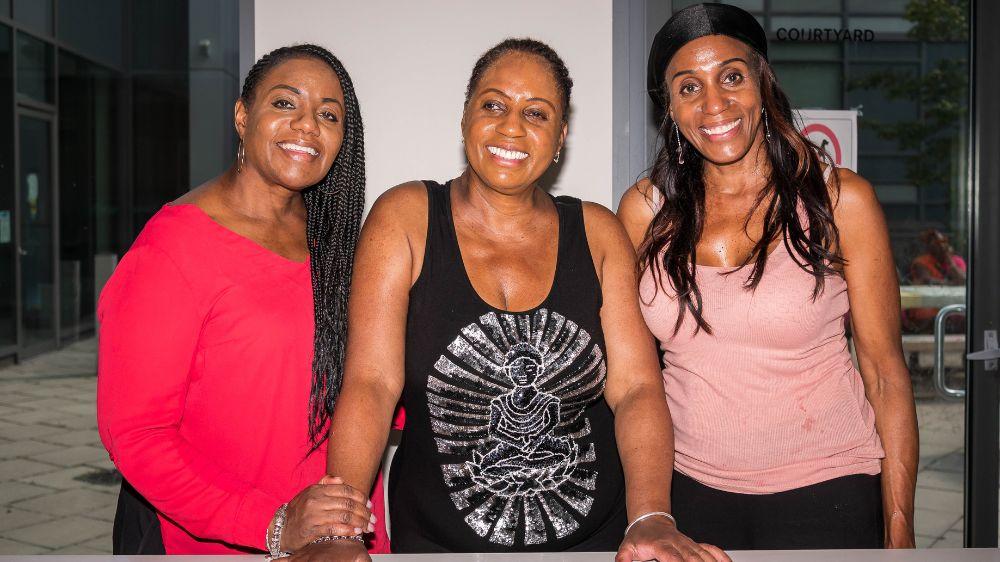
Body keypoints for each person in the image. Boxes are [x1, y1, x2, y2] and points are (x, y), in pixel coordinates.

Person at [292, 38, 729, 561]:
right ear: (465, 118)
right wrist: (338, 532)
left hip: (598, 541)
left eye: (537, 113)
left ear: (561, 136)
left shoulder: (597, 231)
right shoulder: (405, 218)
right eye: (494, 105)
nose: (512, 127)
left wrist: (652, 516)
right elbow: (371, 383)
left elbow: (636, 389)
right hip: (437, 542)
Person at [617, 3, 918, 550]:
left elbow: (884, 372)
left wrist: (899, 528)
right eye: (689, 88)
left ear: (762, 80)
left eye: (731, 76)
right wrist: (649, 509)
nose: (715, 103)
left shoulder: (840, 199)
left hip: (828, 489)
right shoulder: (644, 212)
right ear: (671, 109)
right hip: (689, 492)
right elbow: (637, 381)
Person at [97, 44, 389, 555]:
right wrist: (271, 524)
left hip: (334, 542)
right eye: (284, 104)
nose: (306, 126)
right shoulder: (172, 248)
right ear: (241, 114)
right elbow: (136, 435)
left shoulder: (336, 243)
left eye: (328, 115)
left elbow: (365, 386)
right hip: (221, 542)